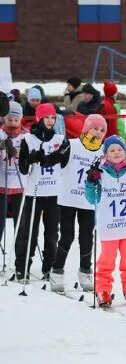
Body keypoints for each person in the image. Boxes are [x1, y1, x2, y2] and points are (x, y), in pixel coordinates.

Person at [84, 136, 126, 307]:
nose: (116, 153)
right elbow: (92, 199)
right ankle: (103, 288)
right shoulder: (101, 172)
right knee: (107, 260)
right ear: (105, 154)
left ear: (125, 152)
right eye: (111, 150)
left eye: (119, 149)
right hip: (109, 225)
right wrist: (91, 182)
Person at [47, 114, 107, 294]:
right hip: (68, 199)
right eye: (95, 128)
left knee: (86, 237)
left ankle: (85, 272)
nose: (98, 132)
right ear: (87, 128)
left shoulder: (103, 151)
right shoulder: (72, 144)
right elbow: (53, 159)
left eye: (102, 130)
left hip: (88, 200)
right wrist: (42, 157)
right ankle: (57, 272)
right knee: (67, 236)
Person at [14, 102, 63, 281]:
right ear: (39, 118)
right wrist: (30, 159)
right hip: (34, 192)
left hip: (53, 192)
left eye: (53, 117)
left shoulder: (59, 139)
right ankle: (22, 267)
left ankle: (49, 267)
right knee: (29, 233)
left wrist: (55, 157)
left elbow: (65, 163)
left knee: (52, 234)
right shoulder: (29, 139)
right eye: (46, 117)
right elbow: (23, 168)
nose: (50, 121)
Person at [0, 102, 28, 246]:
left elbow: (29, 157)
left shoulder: (26, 136)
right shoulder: (0, 134)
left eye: (16, 120)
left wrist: (18, 153)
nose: (13, 123)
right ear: (4, 119)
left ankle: (20, 256)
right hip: (1, 182)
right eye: (10, 119)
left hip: (20, 183)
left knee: (21, 223)